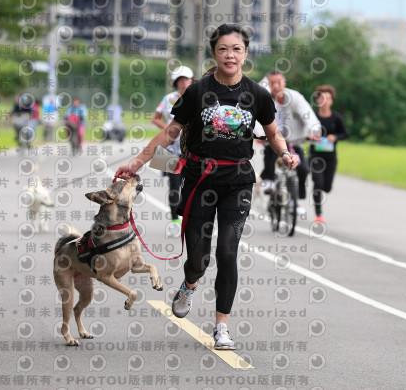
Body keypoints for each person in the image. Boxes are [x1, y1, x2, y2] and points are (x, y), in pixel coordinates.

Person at [115, 23, 299, 350]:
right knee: (198, 256)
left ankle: (222, 327)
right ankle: (189, 283)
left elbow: (273, 133)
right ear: (215, 53)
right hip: (199, 180)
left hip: (238, 182)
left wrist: (284, 153)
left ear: (245, 54)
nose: (230, 55)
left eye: (237, 49)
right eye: (224, 49)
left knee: (227, 252)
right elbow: (170, 133)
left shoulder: (257, 94)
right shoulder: (197, 91)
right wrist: (137, 162)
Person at [259, 70, 321, 215]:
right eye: (272, 83)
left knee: (304, 169)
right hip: (273, 140)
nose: (276, 86)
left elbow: (309, 116)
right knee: (269, 157)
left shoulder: (295, 97)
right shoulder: (264, 98)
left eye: (279, 82)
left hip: (293, 142)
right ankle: (269, 184)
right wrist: (259, 134)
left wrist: (313, 131)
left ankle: (296, 200)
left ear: (284, 83)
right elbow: (257, 118)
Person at [151, 65, 194, 237]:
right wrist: (170, 129)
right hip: (169, 149)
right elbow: (155, 118)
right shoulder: (168, 98)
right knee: (174, 186)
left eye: (186, 79)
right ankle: (175, 222)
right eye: (180, 81)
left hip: (190, 149)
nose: (184, 83)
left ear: (192, 80)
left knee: (192, 186)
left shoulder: (198, 97)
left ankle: (191, 221)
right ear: (176, 83)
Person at [309, 85, 349, 223]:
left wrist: (335, 137)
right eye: (322, 98)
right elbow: (303, 131)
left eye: (328, 98)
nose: (325, 101)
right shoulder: (312, 116)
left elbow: (345, 134)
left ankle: (321, 201)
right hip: (315, 156)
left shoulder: (336, 118)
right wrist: (310, 137)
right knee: (318, 183)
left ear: (332, 101)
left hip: (330, 157)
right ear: (318, 100)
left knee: (327, 187)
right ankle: (319, 214)